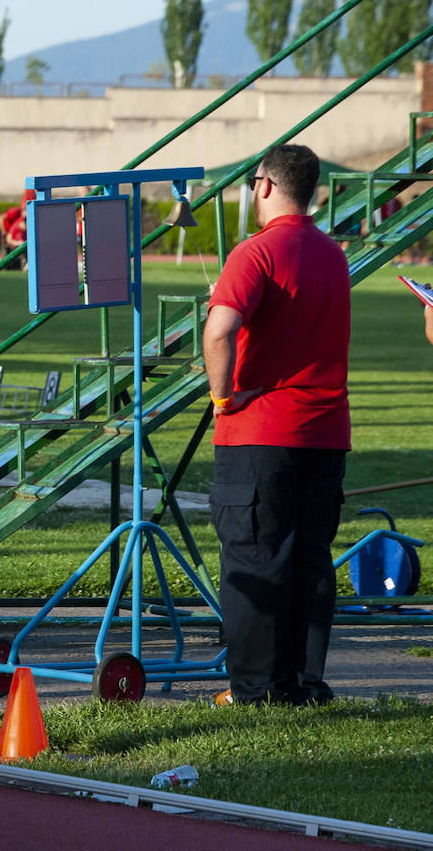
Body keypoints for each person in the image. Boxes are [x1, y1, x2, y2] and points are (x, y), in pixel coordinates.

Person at [203, 144, 350, 707]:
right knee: (310, 559)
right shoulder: (332, 254)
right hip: (326, 429)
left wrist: (222, 398)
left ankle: (254, 690)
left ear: (264, 186)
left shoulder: (255, 252)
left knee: (256, 558)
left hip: (260, 429)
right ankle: (303, 683)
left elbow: (219, 330)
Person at [0, 189, 34, 269]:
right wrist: (3, 231)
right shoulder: (15, 212)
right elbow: (0, 218)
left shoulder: (22, 221)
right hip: (0, 228)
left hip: (8, 232)